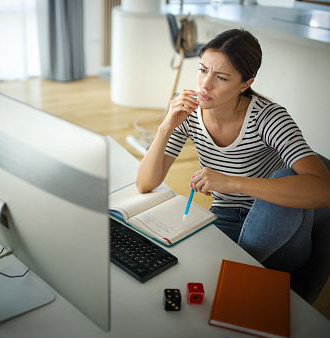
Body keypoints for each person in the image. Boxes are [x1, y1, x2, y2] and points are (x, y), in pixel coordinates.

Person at [136, 28, 330, 273]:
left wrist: (232, 183)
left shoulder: (269, 118)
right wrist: (165, 126)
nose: (205, 85)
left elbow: (324, 190)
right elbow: (145, 183)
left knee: (284, 178)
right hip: (225, 217)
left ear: (245, 84)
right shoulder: (189, 112)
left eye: (222, 78)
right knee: (187, 269)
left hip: (277, 222)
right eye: (203, 70)